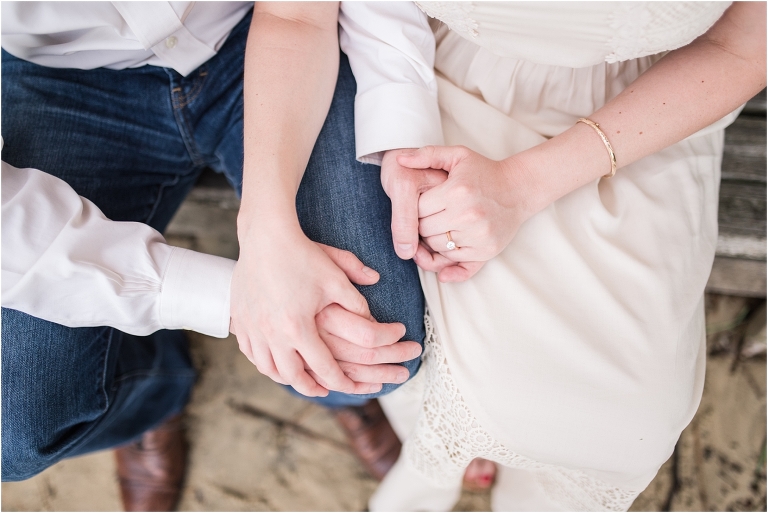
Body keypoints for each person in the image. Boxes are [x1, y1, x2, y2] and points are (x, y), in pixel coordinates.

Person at [1, 2, 442, 509]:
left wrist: (269, 225)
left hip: (259, 31)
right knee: (12, 430)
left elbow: (296, 15)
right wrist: (236, 298)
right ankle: (147, 386)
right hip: (58, 77)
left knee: (366, 338)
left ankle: (322, 387)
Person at [334, 2, 767, 511]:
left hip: (655, 108)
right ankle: (434, 447)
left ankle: (508, 474)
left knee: (629, 419)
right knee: (432, 341)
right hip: (451, 72)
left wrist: (519, 187)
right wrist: (403, 137)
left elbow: (743, 48)